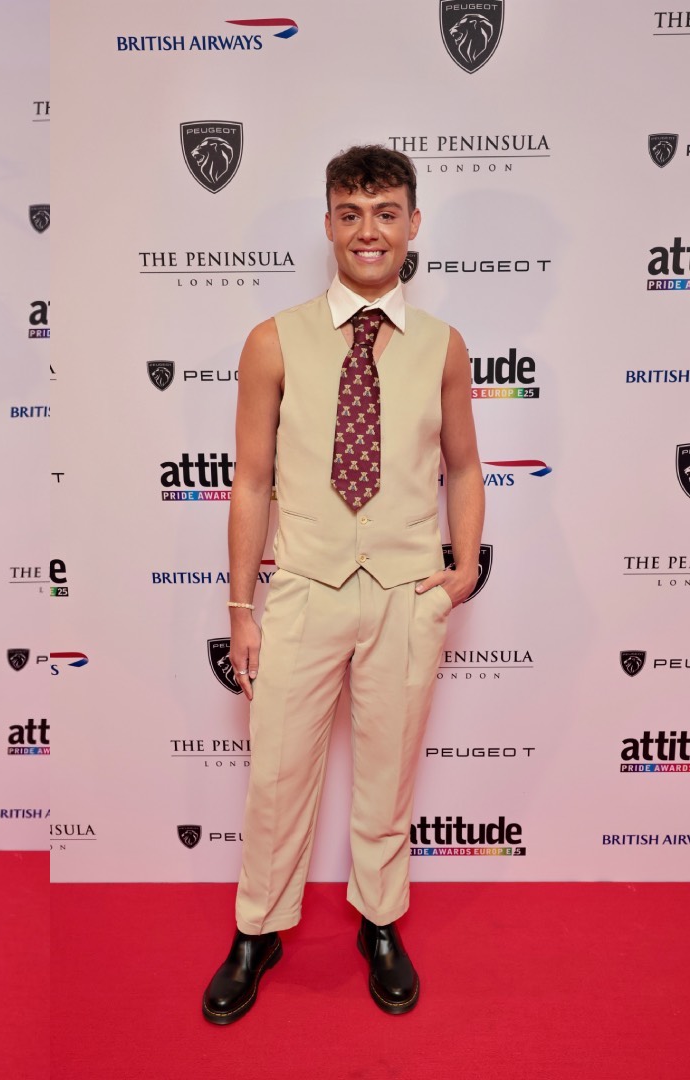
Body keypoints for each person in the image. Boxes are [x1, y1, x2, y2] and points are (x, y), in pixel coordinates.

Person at [202, 145, 483, 1024]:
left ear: (412, 224)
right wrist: (241, 608)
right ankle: (258, 931)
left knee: (389, 777)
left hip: (405, 591)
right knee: (277, 776)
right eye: (352, 213)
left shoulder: (443, 346)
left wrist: (462, 568)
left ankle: (382, 923)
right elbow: (251, 481)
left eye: (387, 213)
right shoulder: (273, 339)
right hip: (304, 587)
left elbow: (465, 466)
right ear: (328, 222)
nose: (370, 231)